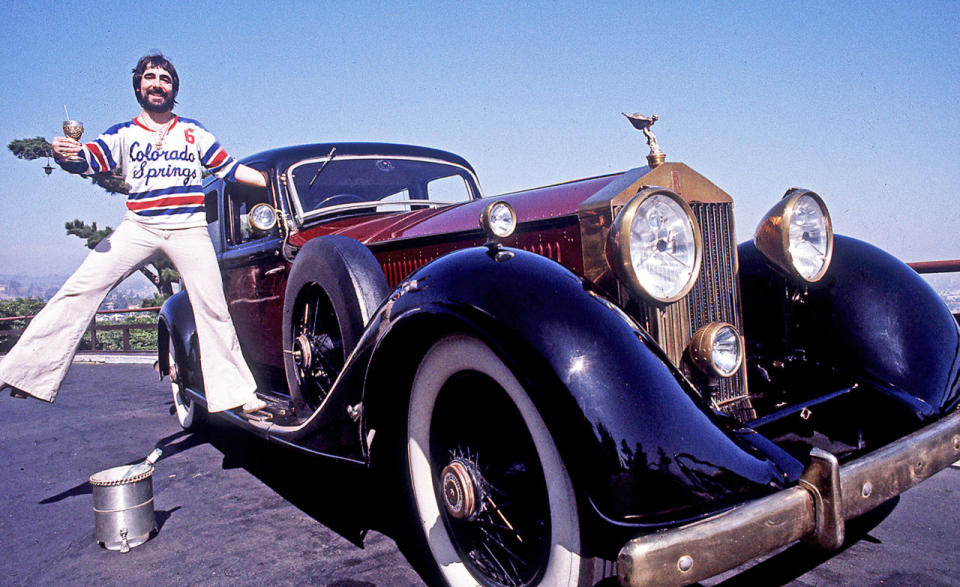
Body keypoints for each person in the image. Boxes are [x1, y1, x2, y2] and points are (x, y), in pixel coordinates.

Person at [0, 53, 266, 414]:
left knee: (212, 307)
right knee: (80, 288)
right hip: (139, 225)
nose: (157, 83)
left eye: (165, 79)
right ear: (138, 86)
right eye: (150, 77)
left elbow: (231, 170)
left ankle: (236, 395)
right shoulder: (122, 133)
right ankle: (18, 372)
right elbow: (87, 159)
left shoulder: (193, 132)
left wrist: (274, 181)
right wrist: (66, 156)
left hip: (188, 228)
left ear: (174, 88)